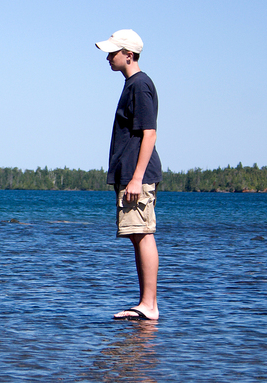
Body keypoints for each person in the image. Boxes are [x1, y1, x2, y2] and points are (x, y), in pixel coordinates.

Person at [96, 29, 161, 320]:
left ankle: (149, 305)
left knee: (143, 233)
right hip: (130, 173)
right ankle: (145, 303)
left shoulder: (139, 85)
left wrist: (136, 178)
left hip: (139, 174)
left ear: (129, 55)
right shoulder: (132, 84)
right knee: (136, 234)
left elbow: (149, 133)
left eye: (113, 52)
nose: (108, 57)